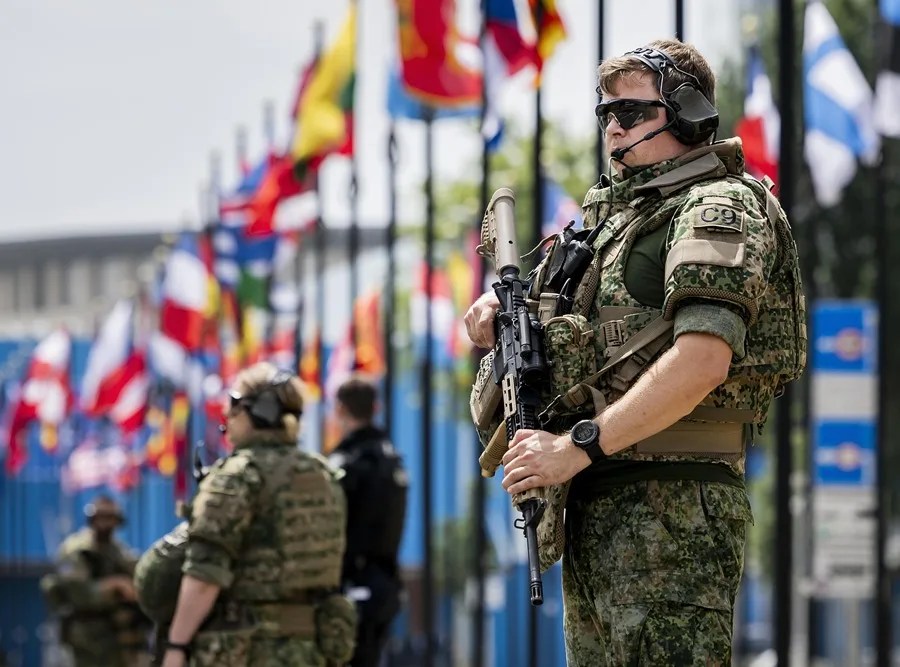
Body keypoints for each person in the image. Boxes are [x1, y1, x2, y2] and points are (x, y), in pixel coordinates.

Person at [465, 39, 806, 665]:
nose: (613, 129)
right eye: (606, 115)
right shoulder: (607, 225)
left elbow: (703, 360)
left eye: (632, 114)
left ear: (688, 112)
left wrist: (575, 447)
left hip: (672, 508)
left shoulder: (716, 207)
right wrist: (499, 318)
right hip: (596, 502)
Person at [156, 362, 356, 667]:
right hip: (311, 651)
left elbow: (204, 576)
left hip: (247, 650)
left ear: (259, 412)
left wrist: (176, 645)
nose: (229, 419)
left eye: (235, 408)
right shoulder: (324, 476)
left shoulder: (236, 477)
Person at [329, 375, 408, 667]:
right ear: (375, 407)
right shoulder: (391, 457)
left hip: (352, 583)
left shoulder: (347, 462)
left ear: (340, 409)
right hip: (386, 582)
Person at [40, 494, 152, 666]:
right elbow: (78, 594)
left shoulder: (117, 550)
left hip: (118, 638)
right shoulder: (77, 550)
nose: (107, 524)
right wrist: (115, 586)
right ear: (92, 519)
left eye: (111, 518)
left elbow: (136, 576)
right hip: (87, 639)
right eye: (102, 518)